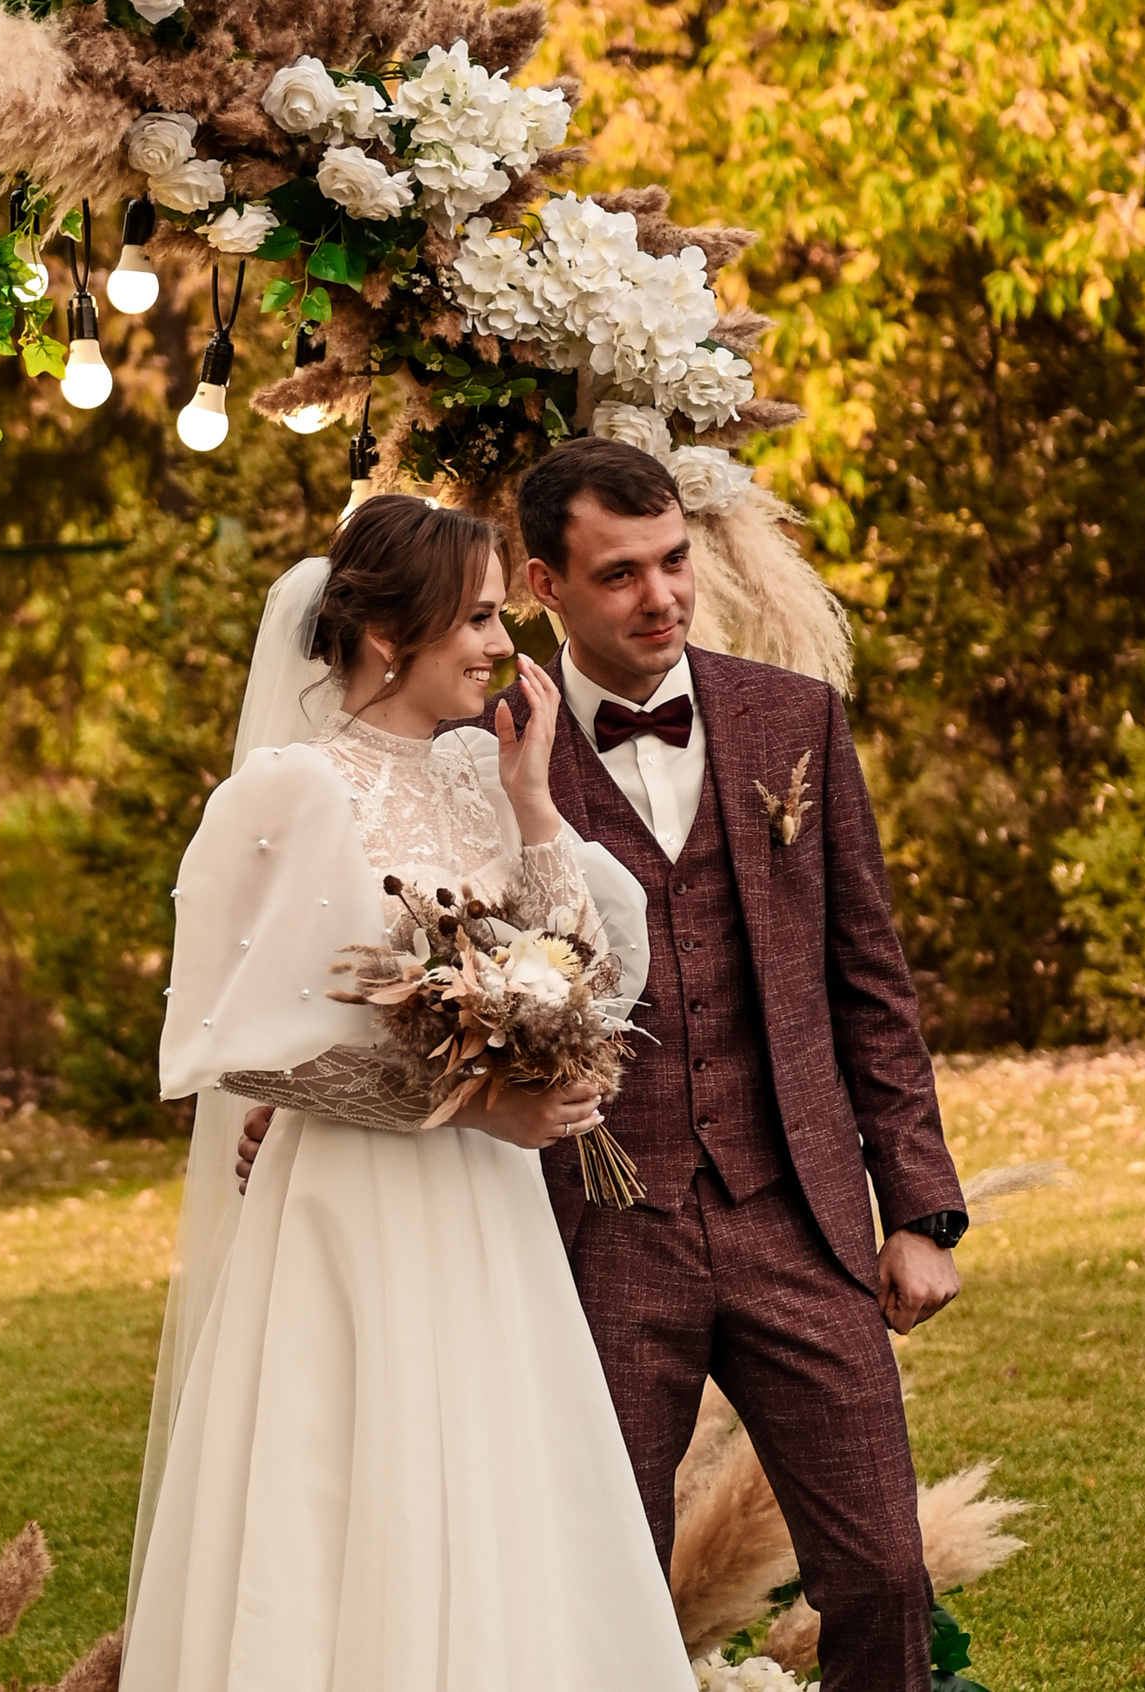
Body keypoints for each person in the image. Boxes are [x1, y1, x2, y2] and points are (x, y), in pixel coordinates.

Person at [238, 438, 969, 1691]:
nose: (663, 597)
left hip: (794, 1212)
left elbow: (868, 979)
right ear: (543, 585)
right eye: (621, 573)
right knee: (592, 1574)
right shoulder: (477, 752)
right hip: (594, 1226)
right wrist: (349, 1094)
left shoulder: (792, 720)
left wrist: (919, 1207)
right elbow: (383, 942)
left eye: (675, 562)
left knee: (884, 1569)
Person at [125, 495, 694, 1692]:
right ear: (393, 635)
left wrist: (534, 803)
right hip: (354, 1205)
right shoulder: (290, 793)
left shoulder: (479, 775)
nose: (503, 645)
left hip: (485, 1215)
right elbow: (244, 1046)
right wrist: (481, 1105)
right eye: (480, 619)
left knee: (494, 1481)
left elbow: (594, 966)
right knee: (349, 1479)